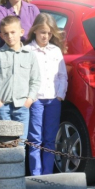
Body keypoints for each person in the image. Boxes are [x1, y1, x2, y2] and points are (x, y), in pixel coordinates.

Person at [0, 16, 40, 146]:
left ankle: (20, 166)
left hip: (22, 106)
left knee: (20, 143)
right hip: (3, 107)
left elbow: (35, 80)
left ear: (21, 32)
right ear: (1, 35)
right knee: (5, 143)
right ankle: (5, 167)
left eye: (13, 32)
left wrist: (29, 100)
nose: (10, 36)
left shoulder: (30, 55)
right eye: (6, 33)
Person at [26, 13, 68, 176]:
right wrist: (31, 96)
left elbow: (62, 75)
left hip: (53, 99)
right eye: (43, 32)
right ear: (35, 31)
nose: (46, 36)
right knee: (35, 139)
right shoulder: (28, 50)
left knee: (50, 138)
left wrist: (60, 95)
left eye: (49, 33)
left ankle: (47, 173)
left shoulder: (55, 50)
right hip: (35, 99)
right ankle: (36, 174)